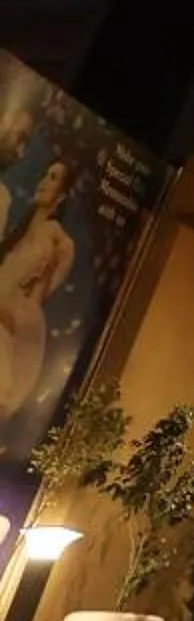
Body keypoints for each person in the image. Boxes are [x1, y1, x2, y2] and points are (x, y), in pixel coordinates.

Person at [0, 162, 78, 427]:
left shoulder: (59, 242)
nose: (44, 181)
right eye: (45, 173)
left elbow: (35, 303)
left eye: (53, 177)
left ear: (63, 194)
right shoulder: (18, 230)